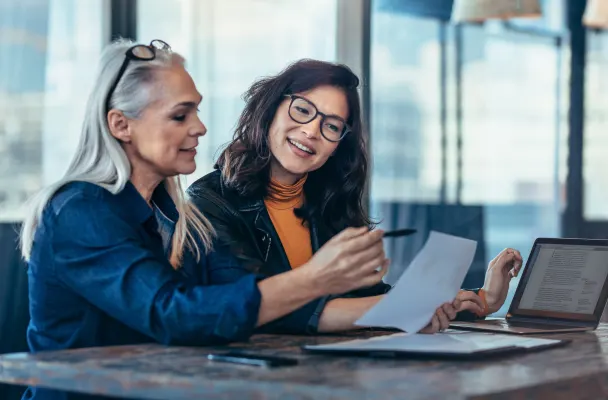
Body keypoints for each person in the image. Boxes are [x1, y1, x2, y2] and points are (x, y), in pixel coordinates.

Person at [19, 41, 404, 400]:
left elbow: (246, 300)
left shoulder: (174, 214)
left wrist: (407, 309)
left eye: (197, 111)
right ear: (121, 125)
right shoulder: (80, 210)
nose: (199, 127)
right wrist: (316, 278)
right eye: (180, 115)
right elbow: (175, 314)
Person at [187, 59, 523, 334]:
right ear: (271, 108)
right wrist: (401, 310)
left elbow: (366, 298)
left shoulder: (327, 202)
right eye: (302, 110)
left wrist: (482, 299)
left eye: (331, 126)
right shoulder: (208, 202)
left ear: (338, 146)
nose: (311, 131)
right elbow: (258, 307)